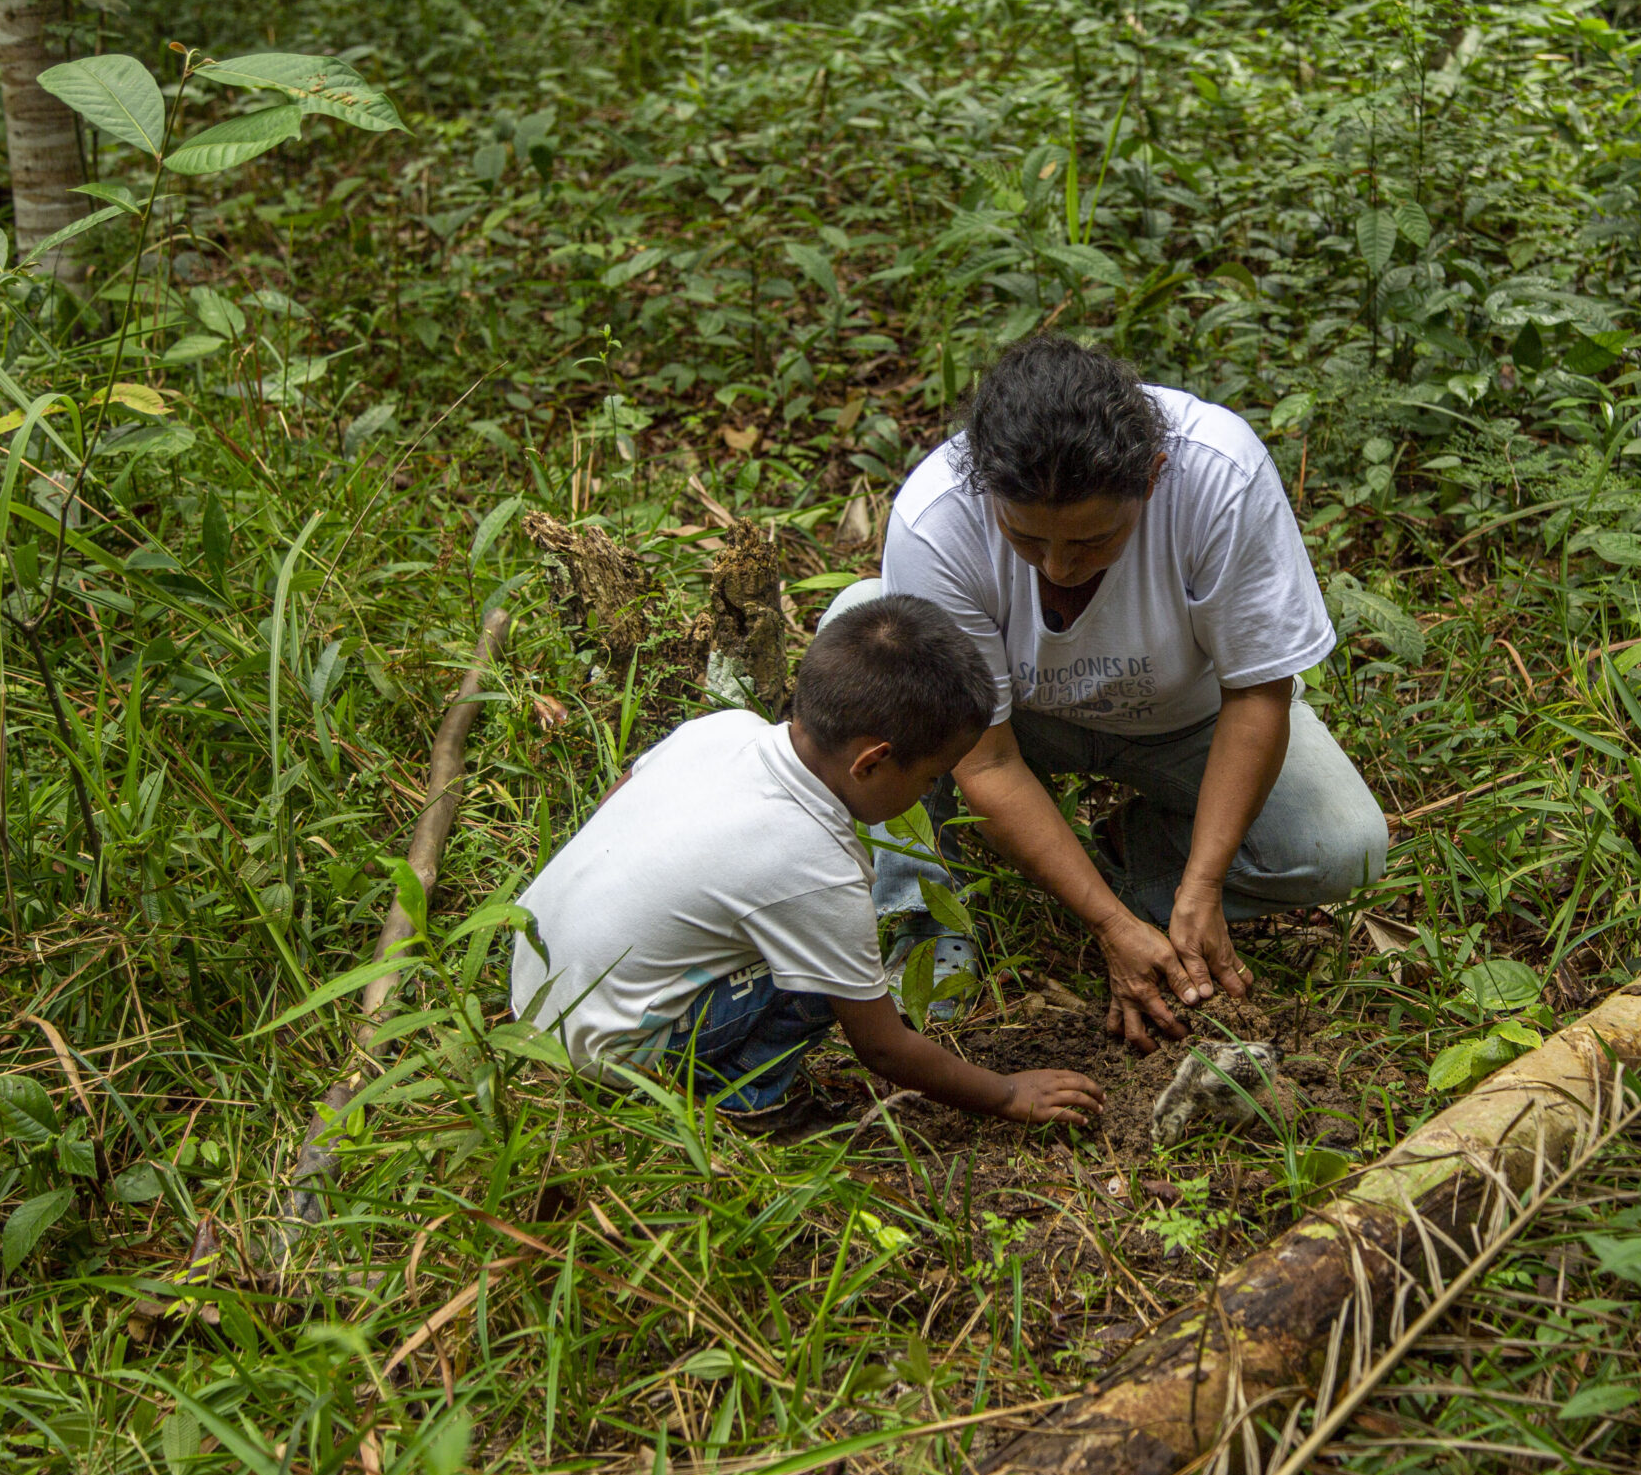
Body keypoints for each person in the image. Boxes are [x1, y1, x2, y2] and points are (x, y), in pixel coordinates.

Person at [825, 335, 1391, 1050]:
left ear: (1152, 478)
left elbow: (1257, 695)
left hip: (1186, 721)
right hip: (1011, 723)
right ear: (988, 489)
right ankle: (924, 909)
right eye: (1027, 539)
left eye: (1092, 541)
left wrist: (1204, 883)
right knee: (868, 628)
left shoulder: (1218, 475)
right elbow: (988, 762)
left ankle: (1135, 863)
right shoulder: (938, 517)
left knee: (1346, 846)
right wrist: (1109, 927)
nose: (1057, 567)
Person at [510, 593, 1104, 1131]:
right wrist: (1005, 1094)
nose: (928, 793)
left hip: (534, 988)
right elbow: (883, 1048)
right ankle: (748, 1101)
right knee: (828, 975)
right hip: (599, 1054)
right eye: (928, 778)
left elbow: (620, 799)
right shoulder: (817, 866)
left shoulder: (724, 729)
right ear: (870, 763)